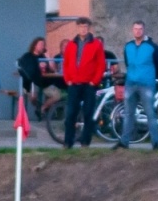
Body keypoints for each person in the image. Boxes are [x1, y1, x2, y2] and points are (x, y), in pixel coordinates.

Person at [61, 18, 106, 148]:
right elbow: (66, 63)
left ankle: (85, 142)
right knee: (71, 114)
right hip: (74, 84)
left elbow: (101, 64)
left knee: (88, 113)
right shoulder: (71, 44)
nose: (83, 29)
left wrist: (94, 81)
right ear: (77, 28)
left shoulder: (96, 44)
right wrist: (68, 79)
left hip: (89, 84)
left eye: (85, 26)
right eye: (81, 27)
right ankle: (68, 142)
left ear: (89, 28)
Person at [118, 21, 158, 150]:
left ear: (144, 30)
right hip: (130, 83)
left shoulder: (153, 47)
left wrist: (151, 77)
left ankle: (155, 143)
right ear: (132, 30)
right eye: (135, 29)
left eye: (140, 29)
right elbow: (128, 63)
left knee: (150, 114)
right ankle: (124, 142)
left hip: (146, 84)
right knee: (128, 114)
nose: (138, 31)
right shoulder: (128, 46)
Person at [16, 37, 54, 117]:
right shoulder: (28, 56)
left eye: (43, 45)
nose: (42, 46)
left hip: (45, 82)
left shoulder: (44, 57)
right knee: (33, 96)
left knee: (57, 95)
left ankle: (42, 108)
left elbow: (53, 70)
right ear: (34, 45)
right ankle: (39, 106)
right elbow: (25, 69)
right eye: (40, 44)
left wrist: (49, 59)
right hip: (32, 82)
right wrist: (37, 67)